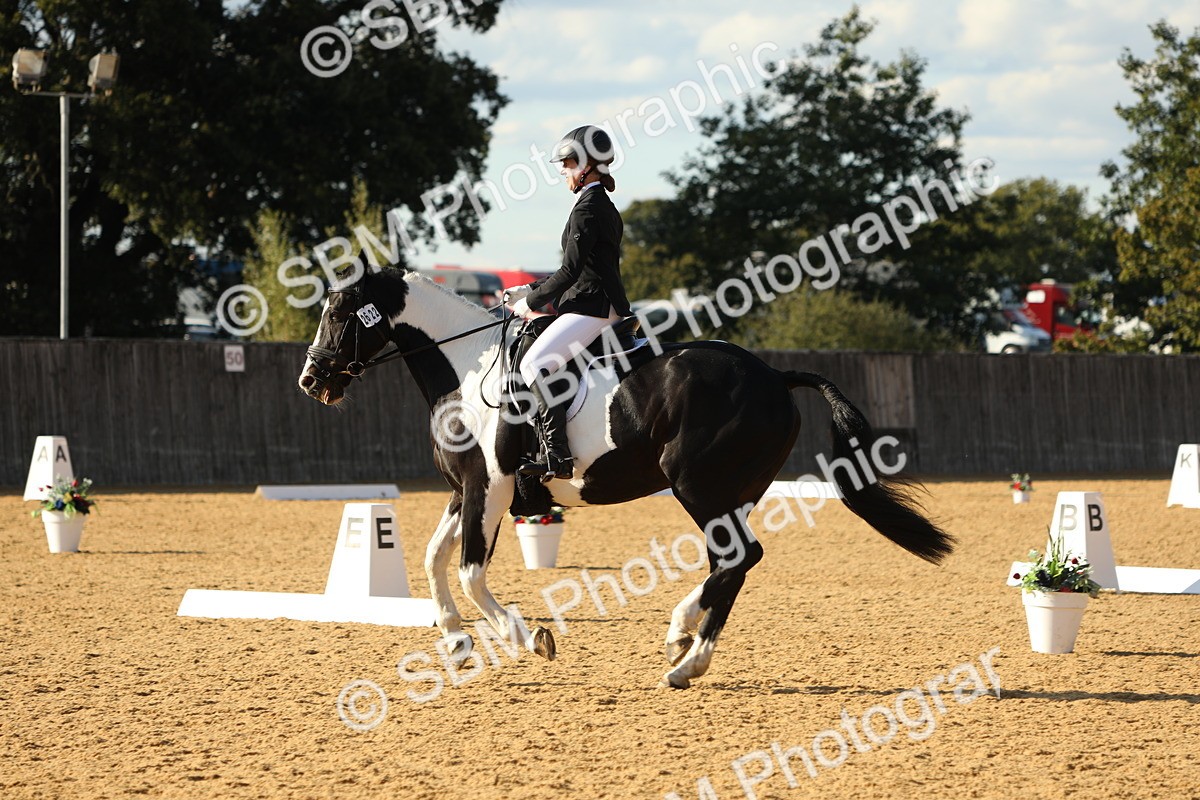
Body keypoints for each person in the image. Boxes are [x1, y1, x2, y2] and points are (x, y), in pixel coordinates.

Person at [506, 125, 633, 481]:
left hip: (593, 306)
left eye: (568, 163)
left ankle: (557, 456)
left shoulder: (588, 209)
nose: (563, 170)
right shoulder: (599, 204)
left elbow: (571, 270)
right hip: (597, 300)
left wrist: (529, 301)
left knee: (533, 365)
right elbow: (579, 270)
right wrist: (528, 288)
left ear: (587, 165)